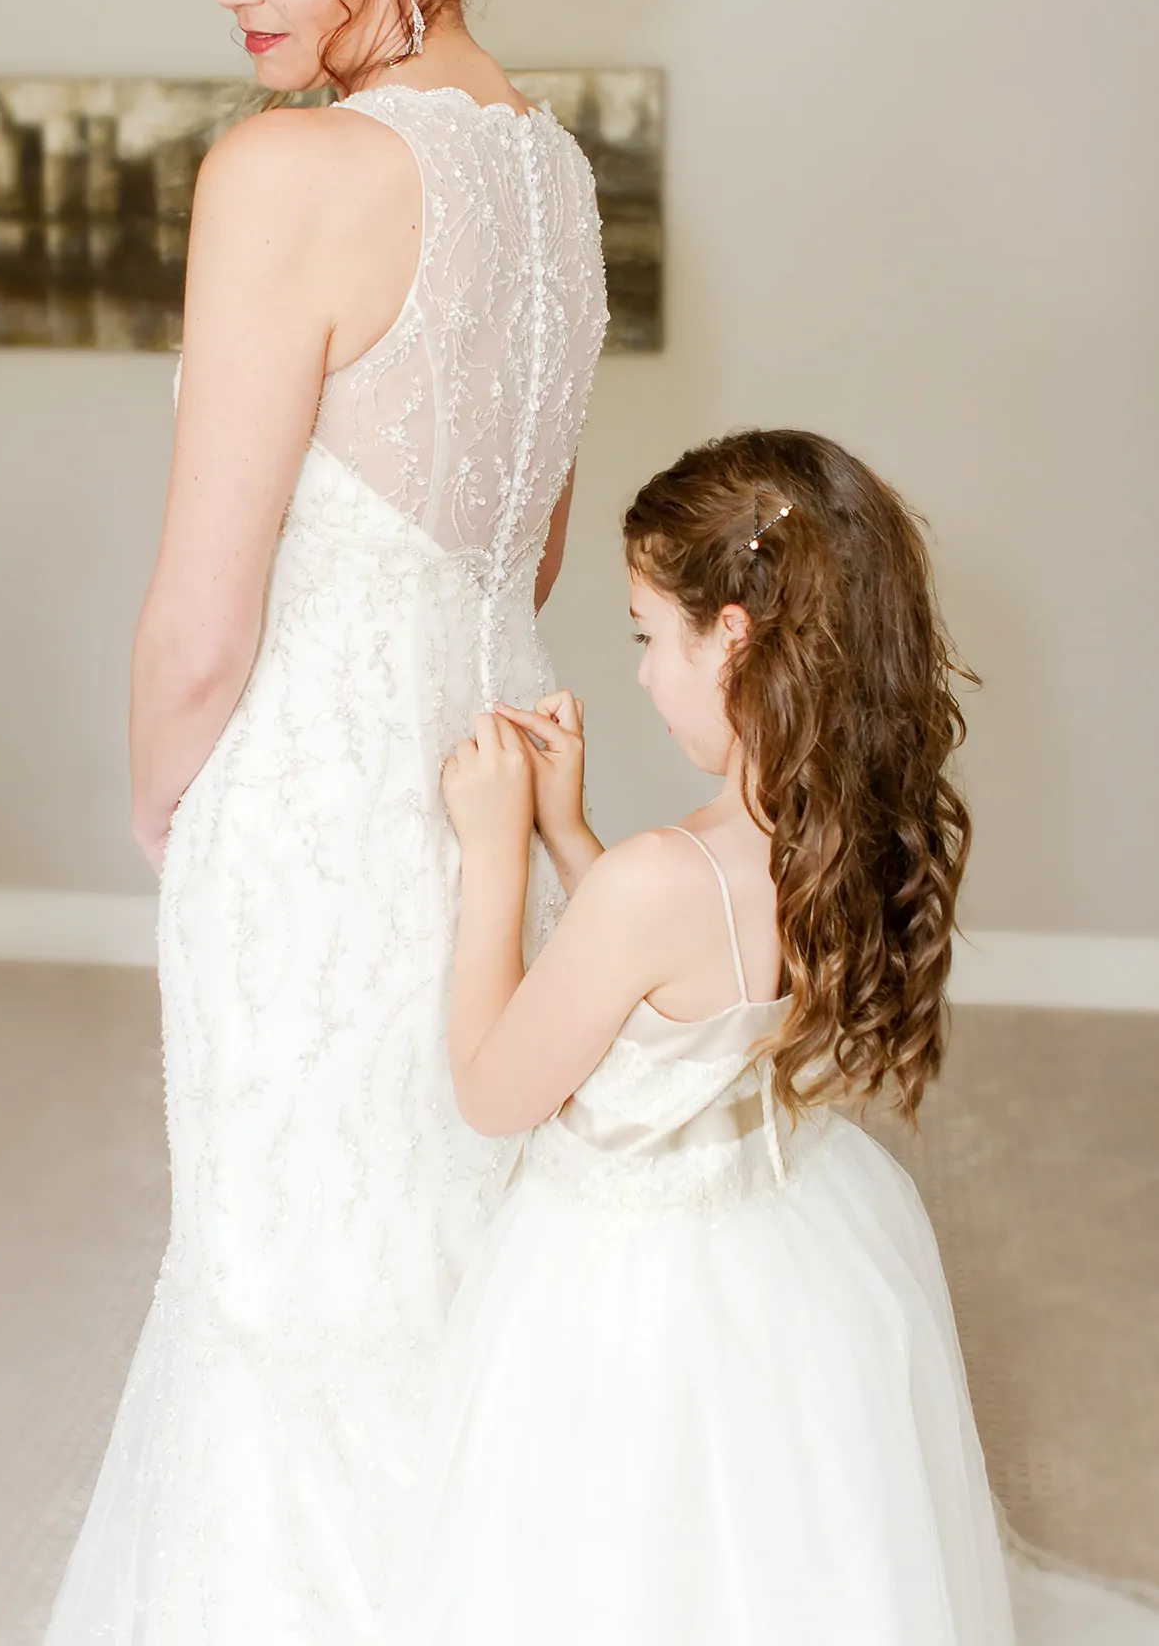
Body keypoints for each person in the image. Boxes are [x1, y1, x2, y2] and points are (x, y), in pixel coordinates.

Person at [41, 0, 608, 1643]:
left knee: (291, 1290)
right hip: (488, 776)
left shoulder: (284, 178)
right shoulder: (542, 167)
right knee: (456, 1251)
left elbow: (205, 618)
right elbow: (522, 537)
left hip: (307, 816)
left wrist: (164, 810)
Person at [386, 427, 1159, 1644]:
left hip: (628, 1283)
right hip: (780, 1236)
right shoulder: (832, 832)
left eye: (649, 634)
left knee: (625, 1552)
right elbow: (681, 1004)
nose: (639, 673)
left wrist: (495, 853)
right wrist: (572, 834)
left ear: (731, 635)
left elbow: (492, 1086)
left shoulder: (662, 878)